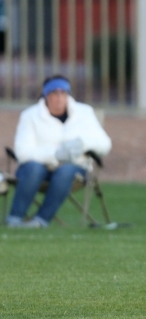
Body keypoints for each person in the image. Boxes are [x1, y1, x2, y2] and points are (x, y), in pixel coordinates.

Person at [6, 75, 112, 228]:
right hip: (37, 170)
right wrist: (55, 154)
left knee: (65, 171)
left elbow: (105, 144)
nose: (59, 97)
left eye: (63, 93)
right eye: (54, 93)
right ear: (46, 95)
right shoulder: (30, 116)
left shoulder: (85, 113)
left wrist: (82, 144)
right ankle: (14, 219)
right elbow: (22, 152)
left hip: (73, 170)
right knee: (34, 169)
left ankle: (40, 221)